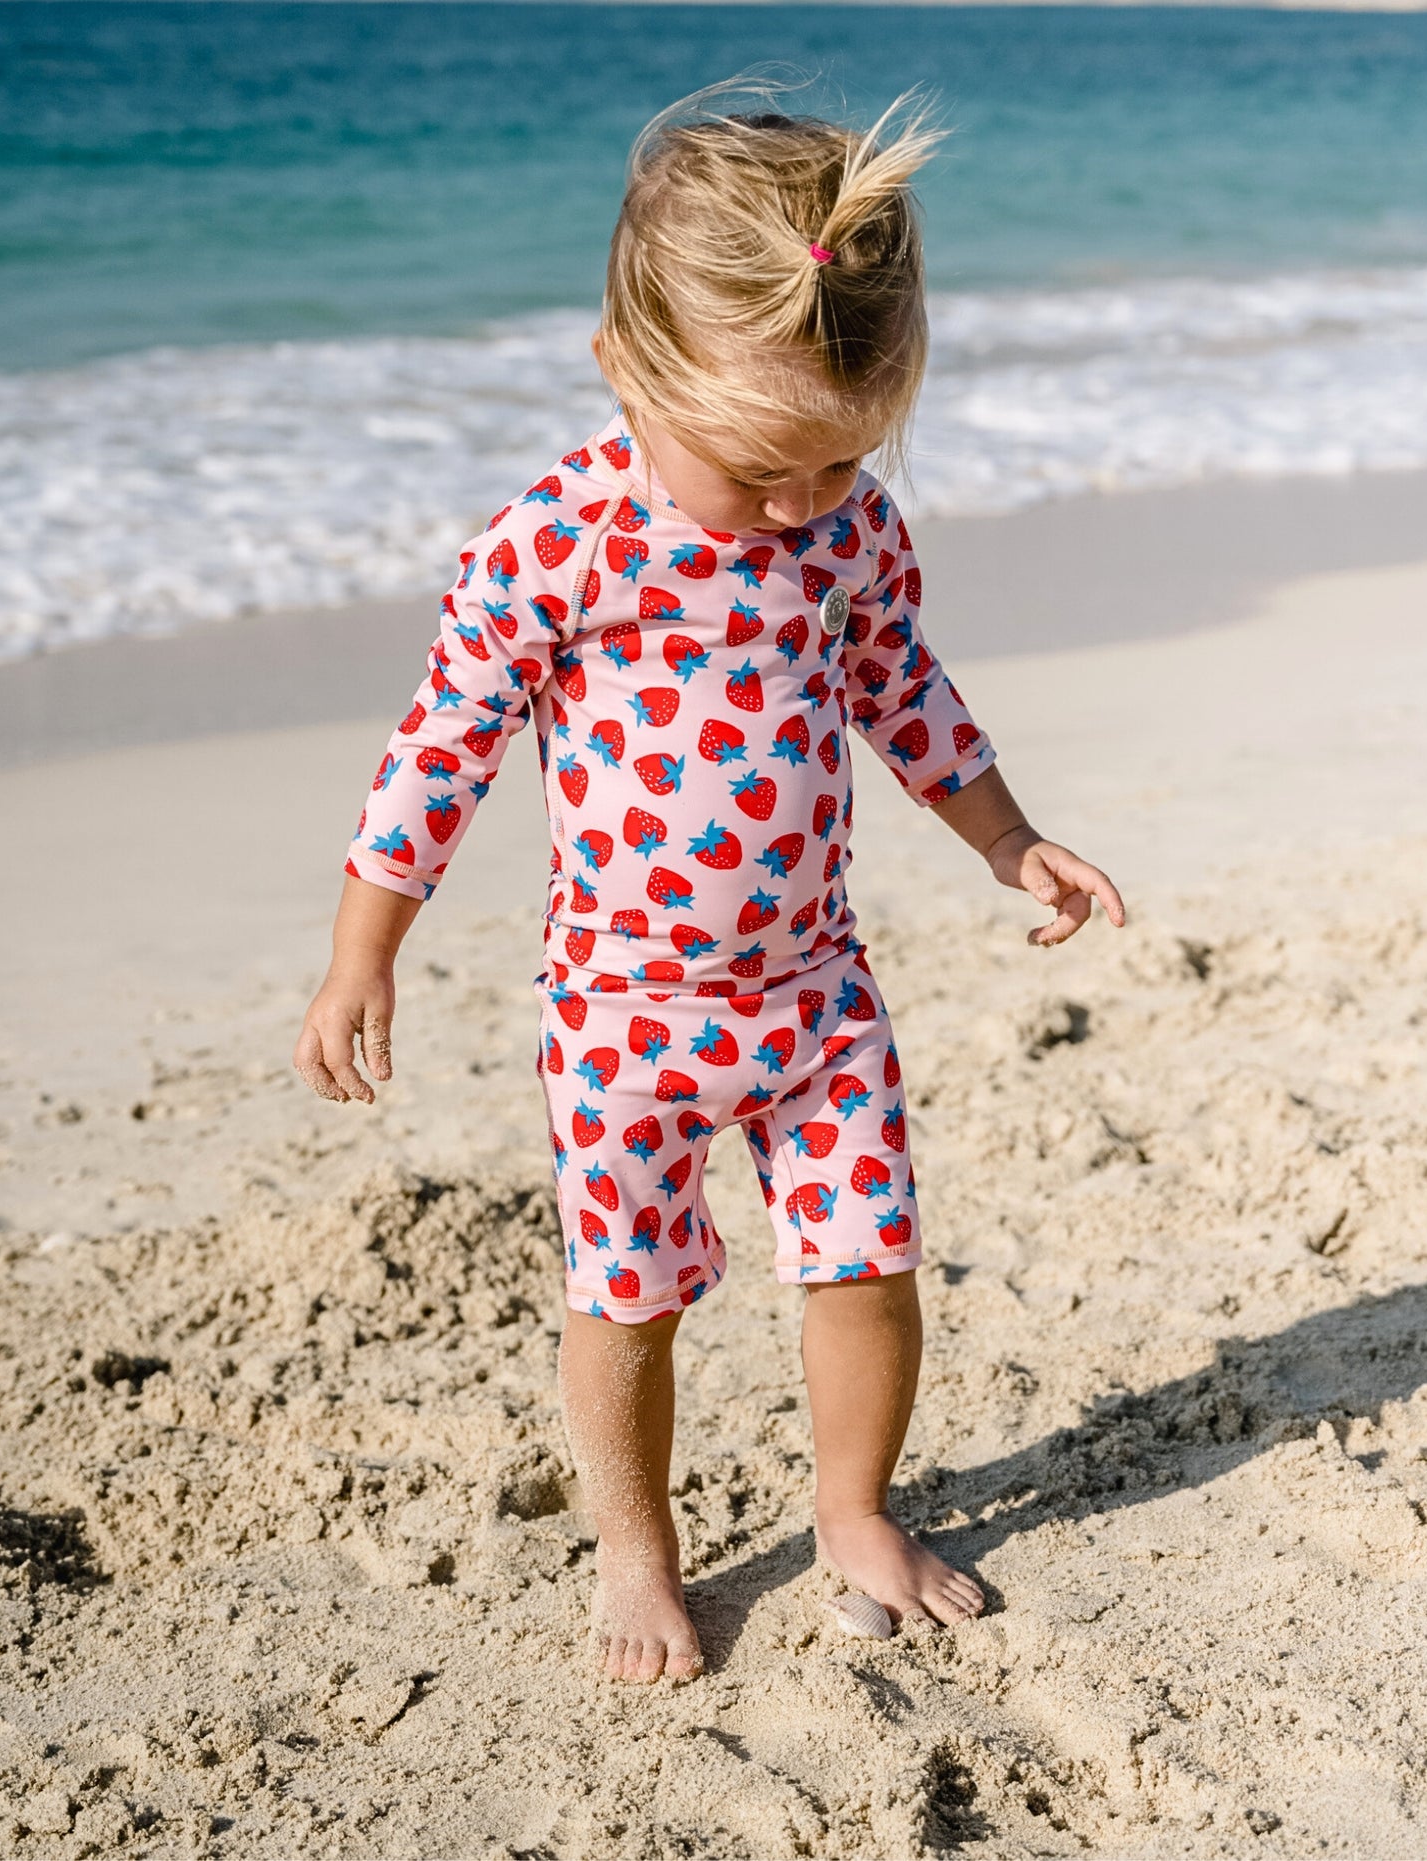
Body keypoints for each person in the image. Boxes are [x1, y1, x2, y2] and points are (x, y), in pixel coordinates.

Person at [293, 84, 1124, 1685]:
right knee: (628, 1299)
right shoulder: (558, 541)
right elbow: (438, 752)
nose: (798, 506)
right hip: (620, 1009)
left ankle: (853, 1508)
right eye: (760, 472)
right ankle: (636, 1548)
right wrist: (361, 955)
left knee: (868, 1268)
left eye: (835, 464)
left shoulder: (849, 532)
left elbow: (911, 703)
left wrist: (1012, 836)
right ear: (626, 370)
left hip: (815, 987)